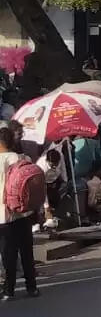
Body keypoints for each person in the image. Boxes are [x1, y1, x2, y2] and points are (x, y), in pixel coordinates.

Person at [1, 124, 43, 301]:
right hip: (24, 211)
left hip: (4, 213)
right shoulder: (22, 158)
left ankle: (9, 290)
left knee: (8, 253)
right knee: (27, 251)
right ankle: (31, 287)